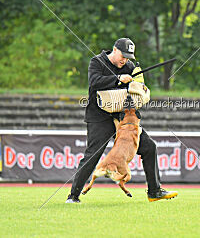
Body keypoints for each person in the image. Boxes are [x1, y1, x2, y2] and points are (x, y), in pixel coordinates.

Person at [66, 38, 178, 203]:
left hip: (122, 117)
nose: (124, 60)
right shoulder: (97, 62)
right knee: (93, 154)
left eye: (128, 57)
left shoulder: (130, 67)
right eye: (123, 56)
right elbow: (94, 82)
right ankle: (73, 196)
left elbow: (136, 89)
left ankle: (154, 191)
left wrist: (140, 86)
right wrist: (118, 79)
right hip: (99, 116)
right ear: (115, 50)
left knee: (149, 147)